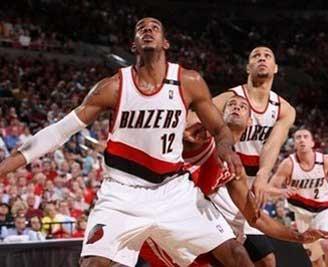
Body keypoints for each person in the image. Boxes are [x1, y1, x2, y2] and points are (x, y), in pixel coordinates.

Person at [0, 17, 252, 267]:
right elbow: (58, 132)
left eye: (155, 28)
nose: (148, 30)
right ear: (134, 45)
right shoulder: (113, 87)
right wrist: (5, 167)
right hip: (121, 193)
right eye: (141, 28)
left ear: (165, 43)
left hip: (173, 190)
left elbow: (219, 128)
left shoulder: (189, 81)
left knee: (236, 255)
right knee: (93, 264)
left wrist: (224, 145)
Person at [140, 96, 328, 266]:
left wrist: (298, 237)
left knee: (241, 255)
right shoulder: (202, 136)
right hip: (153, 212)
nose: (236, 107)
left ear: (250, 122)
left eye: (242, 106)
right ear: (220, 117)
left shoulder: (234, 167)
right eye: (231, 104)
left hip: (186, 225)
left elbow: (255, 218)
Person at [187, 46, 296, 267]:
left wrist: (264, 177)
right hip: (221, 179)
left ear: (275, 68)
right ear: (248, 67)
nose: (262, 59)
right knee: (231, 253)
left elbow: (272, 147)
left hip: (248, 184)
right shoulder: (231, 98)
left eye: (267, 56)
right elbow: (193, 117)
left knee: (264, 259)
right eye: (256, 56)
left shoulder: (284, 109)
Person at [268, 128, 328, 267]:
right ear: (294, 144)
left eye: (305, 137)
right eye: (298, 137)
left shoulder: (324, 160)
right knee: (316, 259)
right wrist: (282, 191)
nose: (301, 140)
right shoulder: (288, 164)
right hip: (302, 213)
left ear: (312, 143)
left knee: (326, 244)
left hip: (324, 207)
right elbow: (270, 189)